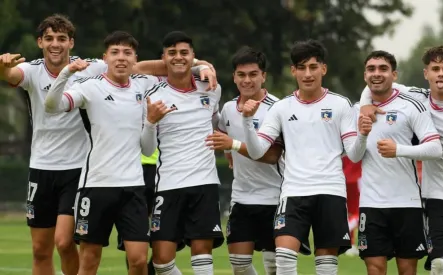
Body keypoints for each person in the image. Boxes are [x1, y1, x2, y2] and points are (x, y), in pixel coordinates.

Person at [0, 14, 216, 275]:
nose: (55, 44)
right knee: (49, 250)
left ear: (71, 42)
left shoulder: (104, 71)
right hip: (61, 172)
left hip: (93, 172)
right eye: (49, 39)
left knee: (109, 253)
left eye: (61, 38)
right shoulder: (46, 73)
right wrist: (4, 66)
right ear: (39, 43)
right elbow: (20, 82)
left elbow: (168, 66)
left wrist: (201, 65)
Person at [43, 30, 175, 275]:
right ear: (105, 58)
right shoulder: (89, 87)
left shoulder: (144, 86)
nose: (121, 58)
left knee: (138, 260)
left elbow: (147, 148)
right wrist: (66, 72)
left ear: (135, 60)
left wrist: (152, 123)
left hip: (133, 188)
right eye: (115, 52)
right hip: (96, 186)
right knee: (90, 260)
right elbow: (52, 105)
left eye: (127, 53)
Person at [241, 39, 370, 275]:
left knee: (326, 266)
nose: (307, 74)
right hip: (294, 193)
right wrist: (247, 121)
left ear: (323, 68)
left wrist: (362, 134)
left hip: (330, 191)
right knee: (284, 257)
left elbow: (354, 153)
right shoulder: (281, 108)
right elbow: (257, 150)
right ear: (293, 71)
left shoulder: (340, 104)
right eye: (301, 67)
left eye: (313, 67)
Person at [360, 46, 443, 275]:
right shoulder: (416, 98)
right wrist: (364, 105)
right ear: (426, 74)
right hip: (435, 196)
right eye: (436, 69)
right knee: (439, 263)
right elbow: (375, 83)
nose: (441, 74)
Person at [141, 31, 223, 275]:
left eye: (184, 53)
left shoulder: (211, 89)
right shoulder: (152, 95)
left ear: (193, 56)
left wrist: (204, 67)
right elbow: (147, 148)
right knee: (161, 262)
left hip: (204, 184)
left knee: (202, 256)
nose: (179, 58)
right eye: (172, 53)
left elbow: (216, 121)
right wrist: (150, 122)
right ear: (163, 58)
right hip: (168, 185)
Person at [356, 50, 442, 275]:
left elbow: (435, 148)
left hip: (407, 202)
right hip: (371, 203)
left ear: (394, 74)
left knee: (407, 270)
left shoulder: (412, 105)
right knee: (375, 268)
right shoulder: (355, 110)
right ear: (365, 75)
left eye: (383, 69)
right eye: (371, 69)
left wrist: (399, 151)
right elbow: (353, 155)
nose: (377, 74)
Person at [205, 46, 283, 275]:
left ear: (263, 76)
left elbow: (272, 156)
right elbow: (223, 136)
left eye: (253, 74)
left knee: (274, 267)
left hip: (275, 197)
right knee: (239, 265)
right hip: (241, 198)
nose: (247, 80)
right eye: (241, 75)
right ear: (234, 77)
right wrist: (230, 153)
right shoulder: (228, 109)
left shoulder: (277, 108)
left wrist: (234, 146)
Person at [342, 155, 362, 257]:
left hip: (345, 178)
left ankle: (351, 245)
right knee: (360, 213)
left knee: (350, 213)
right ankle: (343, 231)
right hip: (359, 179)